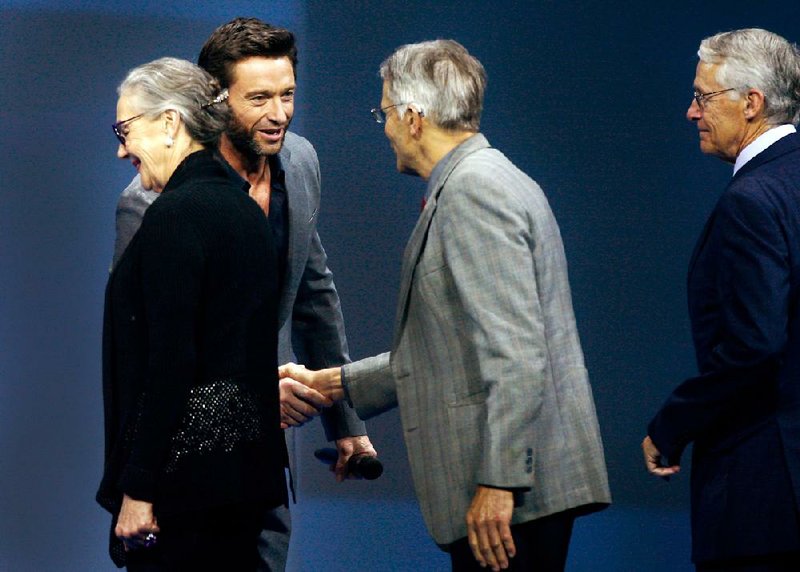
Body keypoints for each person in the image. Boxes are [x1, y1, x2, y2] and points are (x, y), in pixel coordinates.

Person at [280, 39, 611, 572]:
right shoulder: (486, 178)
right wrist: (332, 384)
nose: (383, 126)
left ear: (414, 117)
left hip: (513, 502)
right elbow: (451, 351)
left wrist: (499, 482)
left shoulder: (475, 192)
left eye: (385, 112)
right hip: (519, 496)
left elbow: (517, 353)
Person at [110, 18, 376, 570]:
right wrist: (135, 484)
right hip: (188, 461)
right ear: (216, 99)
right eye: (259, 98)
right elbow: (153, 353)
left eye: (287, 96)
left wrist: (345, 422)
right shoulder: (149, 200)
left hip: (264, 453)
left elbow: (312, 293)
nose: (278, 114)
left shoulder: (299, 163)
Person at [97, 57, 287, 570]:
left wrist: (138, 488)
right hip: (237, 488)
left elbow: (169, 363)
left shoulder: (175, 218)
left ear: (169, 123)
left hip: (182, 499)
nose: (120, 149)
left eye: (125, 129)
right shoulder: (245, 210)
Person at [643, 28, 800, 571]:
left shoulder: (751, 200)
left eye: (703, 97)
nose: (692, 112)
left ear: (751, 103)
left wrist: (672, 424)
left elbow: (755, 348)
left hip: (765, 501)